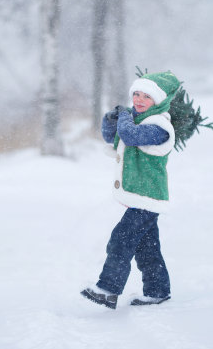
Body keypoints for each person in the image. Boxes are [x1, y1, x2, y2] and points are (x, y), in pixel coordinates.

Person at [81, 71, 181, 309]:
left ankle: (108, 290)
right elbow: (111, 136)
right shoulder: (137, 119)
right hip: (140, 197)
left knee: (121, 240)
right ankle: (157, 291)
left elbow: (130, 136)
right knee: (147, 249)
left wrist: (125, 117)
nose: (138, 99)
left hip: (149, 197)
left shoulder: (160, 126)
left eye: (146, 96)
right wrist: (111, 118)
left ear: (159, 100)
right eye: (136, 93)